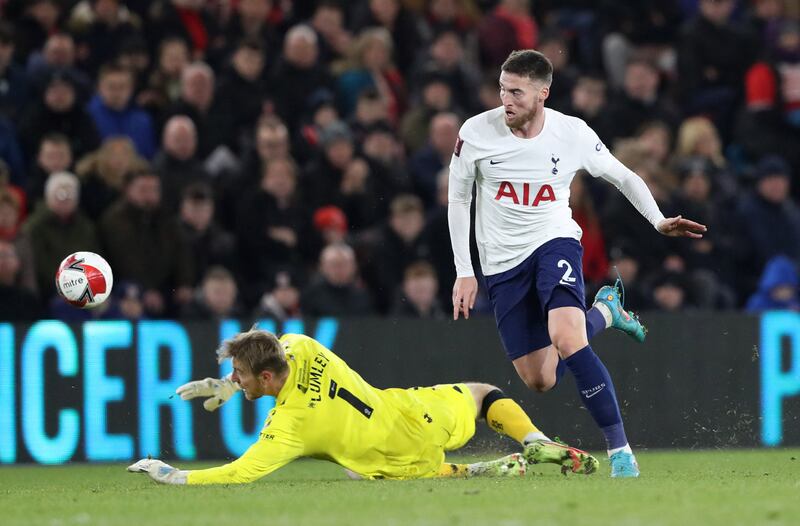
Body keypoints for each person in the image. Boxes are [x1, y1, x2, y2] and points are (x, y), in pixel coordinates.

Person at [448, 50, 707, 478]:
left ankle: (620, 450)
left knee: (566, 336)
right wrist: (464, 269)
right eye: (501, 90)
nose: (505, 100)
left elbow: (623, 175)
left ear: (542, 94)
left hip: (555, 243)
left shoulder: (572, 133)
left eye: (516, 92)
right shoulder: (475, 132)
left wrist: (658, 220)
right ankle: (606, 313)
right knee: (541, 379)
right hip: (501, 262)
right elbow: (458, 198)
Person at [127, 328, 598, 485]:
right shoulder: (303, 345)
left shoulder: (290, 426)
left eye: (243, 376)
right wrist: (235, 379)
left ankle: (483, 472)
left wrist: (175, 475)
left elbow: (240, 472)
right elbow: (273, 344)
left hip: (393, 459)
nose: (239, 382)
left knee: (363, 470)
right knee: (480, 394)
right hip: (410, 410)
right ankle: (534, 440)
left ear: (267, 378)